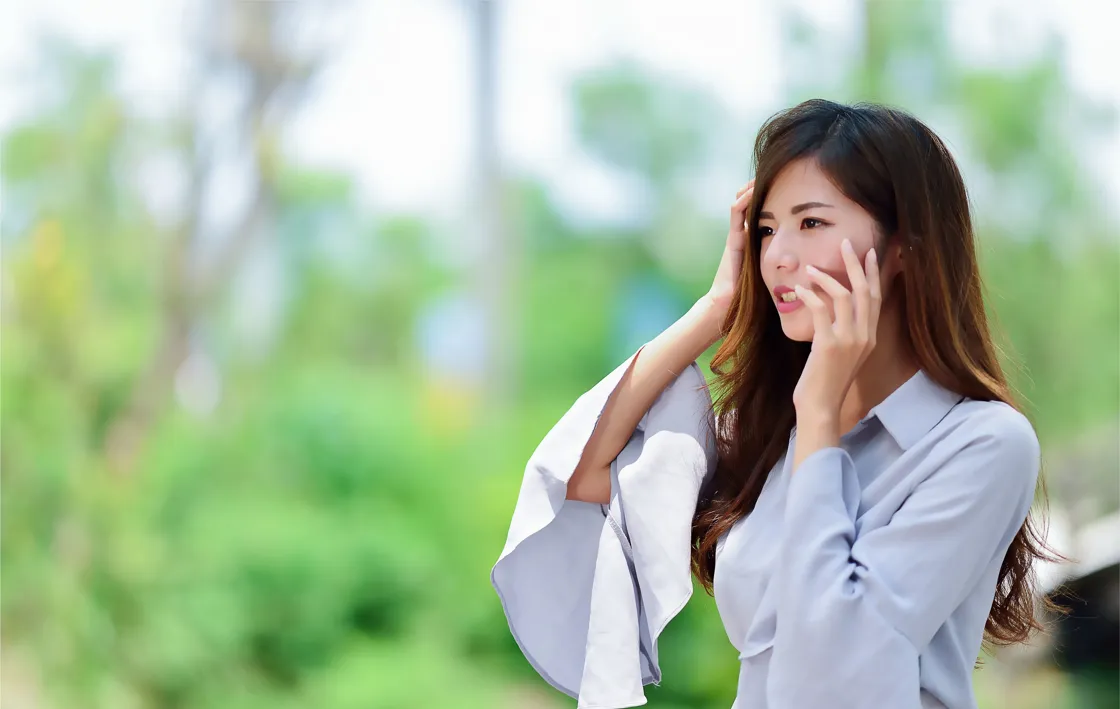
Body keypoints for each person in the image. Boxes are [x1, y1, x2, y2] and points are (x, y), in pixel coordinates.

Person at [491, 99, 1060, 709]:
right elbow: (581, 475)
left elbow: (834, 663)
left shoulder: (981, 444)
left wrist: (820, 412)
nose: (778, 257)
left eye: (811, 223)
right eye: (765, 230)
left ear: (903, 249)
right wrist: (715, 309)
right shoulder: (766, 432)